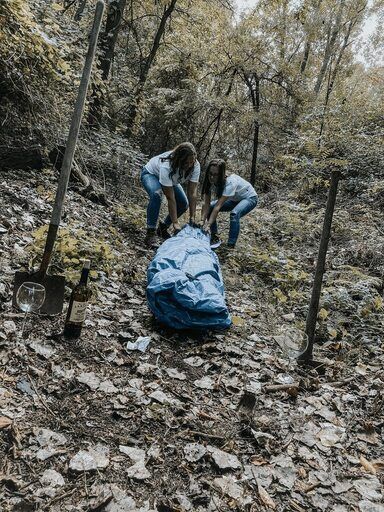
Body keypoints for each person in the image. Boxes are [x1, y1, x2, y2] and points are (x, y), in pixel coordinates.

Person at [141, 142, 201, 247]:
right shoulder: (167, 166)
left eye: (191, 162)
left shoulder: (195, 166)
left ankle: (162, 228)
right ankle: (150, 233)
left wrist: (192, 218)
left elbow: (192, 192)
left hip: (171, 181)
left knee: (183, 203)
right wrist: (176, 223)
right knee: (157, 195)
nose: (189, 165)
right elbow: (170, 198)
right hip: (151, 174)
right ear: (179, 159)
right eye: (185, 163)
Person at [200, 159, 258, 248]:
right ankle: (214, 236)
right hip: (235, 199)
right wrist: (202, 221)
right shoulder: (209, 181)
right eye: (210, 174)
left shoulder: (230, 182)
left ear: (221, 175)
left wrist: (208, 224)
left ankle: (231, 245)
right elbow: (206, 203)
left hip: (249, 198)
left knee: (234, 213)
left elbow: (218, 206)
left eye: (215, 175)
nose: (212, 177)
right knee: (211, 206)